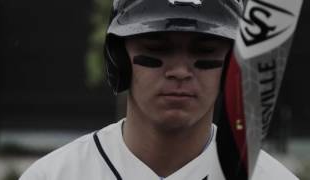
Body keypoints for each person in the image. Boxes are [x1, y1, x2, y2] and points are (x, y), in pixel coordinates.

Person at [19, 0, 299, 179]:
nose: (179, 71)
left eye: (205, 50)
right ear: (119, 60)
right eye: (157, 48)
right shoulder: (55, 175)